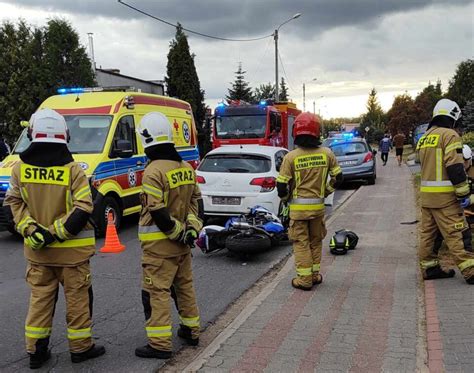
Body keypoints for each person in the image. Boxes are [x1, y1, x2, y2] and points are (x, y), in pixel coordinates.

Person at [4, 109, 105, 369]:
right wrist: (55, 233)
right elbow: (84, 208)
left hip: (39, 254)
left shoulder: (20, 169)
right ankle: (81, 349)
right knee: (78, 301)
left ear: (32, 134)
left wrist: (31, 230)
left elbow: (13, 203)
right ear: (65, 136)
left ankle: (36, 352)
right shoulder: (73, 170)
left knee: (40, 300)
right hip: (73, 256)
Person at [135, 112, 203, 359]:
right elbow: (196, 202)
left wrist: (176, 233)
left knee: (157, 292)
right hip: (183, 245)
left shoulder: (153, 171)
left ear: (147, 139)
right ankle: (191, 330)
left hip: (159, 247)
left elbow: (157, 210)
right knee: (184, 287)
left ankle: (159, 344)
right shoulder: (185, 167)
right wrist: (191, 231)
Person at [276, 112, 343, 290]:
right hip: (318, 210)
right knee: (315, 242)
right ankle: (314, 275)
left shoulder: (291, 157)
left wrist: (286, 200)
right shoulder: (327, 154)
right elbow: (339, 177)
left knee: (301, 244)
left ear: (295, 132)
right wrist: (327, 190)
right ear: (317, 132)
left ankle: (304, 280)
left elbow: (281, 186)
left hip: (298, 212)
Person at [417, 99, 474, 284]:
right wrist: (463, 193)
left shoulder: (425, 137)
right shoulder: (450, 135)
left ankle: (430, 268)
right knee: (458, 233)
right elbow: (455, 167)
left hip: (427, 198)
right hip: (446, 198)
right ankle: (471, 271)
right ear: (453, 116)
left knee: (428, 234)